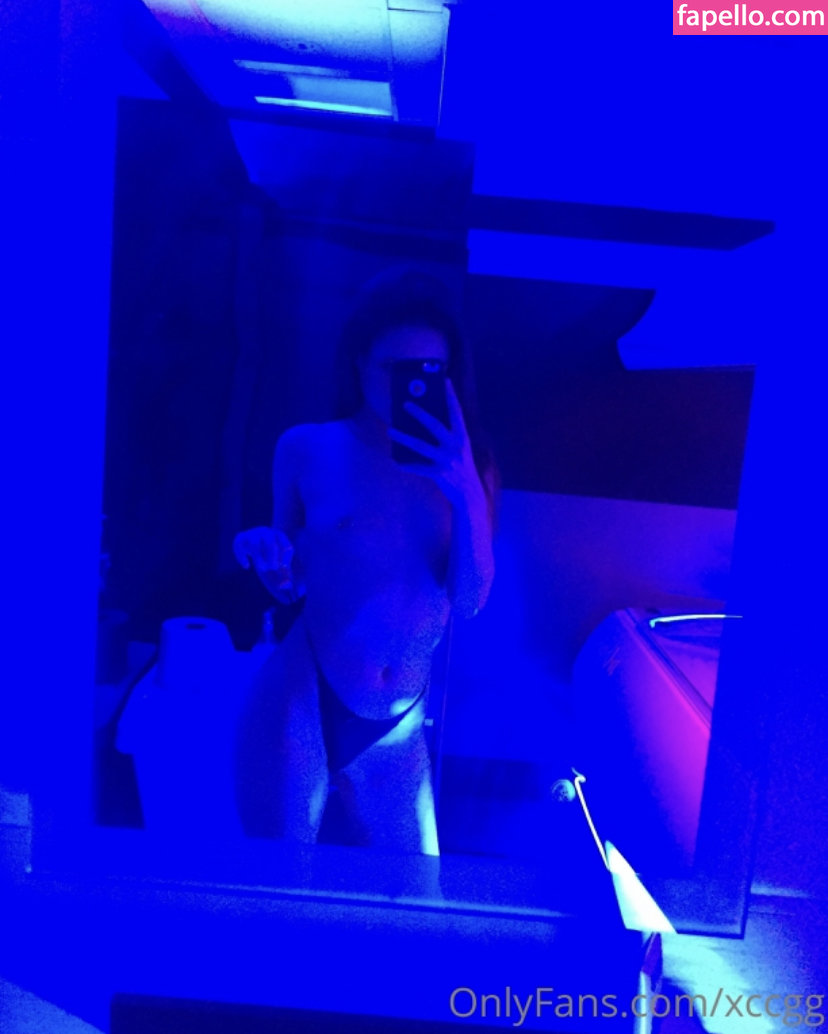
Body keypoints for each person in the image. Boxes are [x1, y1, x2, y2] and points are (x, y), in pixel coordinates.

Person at [233, 269, 498, 855]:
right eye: (393, 368)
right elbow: (291, 584)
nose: (410, 385)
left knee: (420, 899)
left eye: (428, 371)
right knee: (281, 889)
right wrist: (268, 553)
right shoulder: (307, 448)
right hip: (302, 699)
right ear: (358, 363)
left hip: (399, 730)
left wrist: (464, 490)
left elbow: (470, 603)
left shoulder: (466, 469)